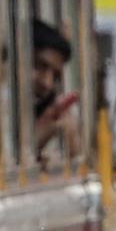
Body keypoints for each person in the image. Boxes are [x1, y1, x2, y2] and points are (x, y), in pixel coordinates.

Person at [31, 19, 80, 157]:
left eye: (55, 76)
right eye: (39, 66)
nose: (47, 83)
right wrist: (35, 142)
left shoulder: (53, 117)